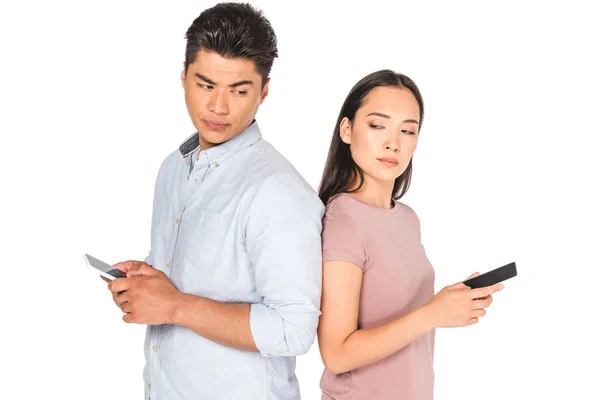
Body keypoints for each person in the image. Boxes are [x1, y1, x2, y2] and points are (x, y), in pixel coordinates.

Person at [102, 3, 324, 399]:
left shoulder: (279, 191)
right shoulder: (173, 167)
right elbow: (203, 274)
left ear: (264, 91)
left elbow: (294, 330)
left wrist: (175, 306)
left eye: (239, 91)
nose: (219, 107)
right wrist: (148, 278)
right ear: (183, 76)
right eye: (206, 86)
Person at [316, 69, 504, 400]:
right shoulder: (343, 221)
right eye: (377, 125)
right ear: (346, 129)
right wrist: (433, 313)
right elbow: (337, 354)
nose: (394, 142)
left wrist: (450, 302)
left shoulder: (407, 219)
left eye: (408, 130)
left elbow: (404, 314)